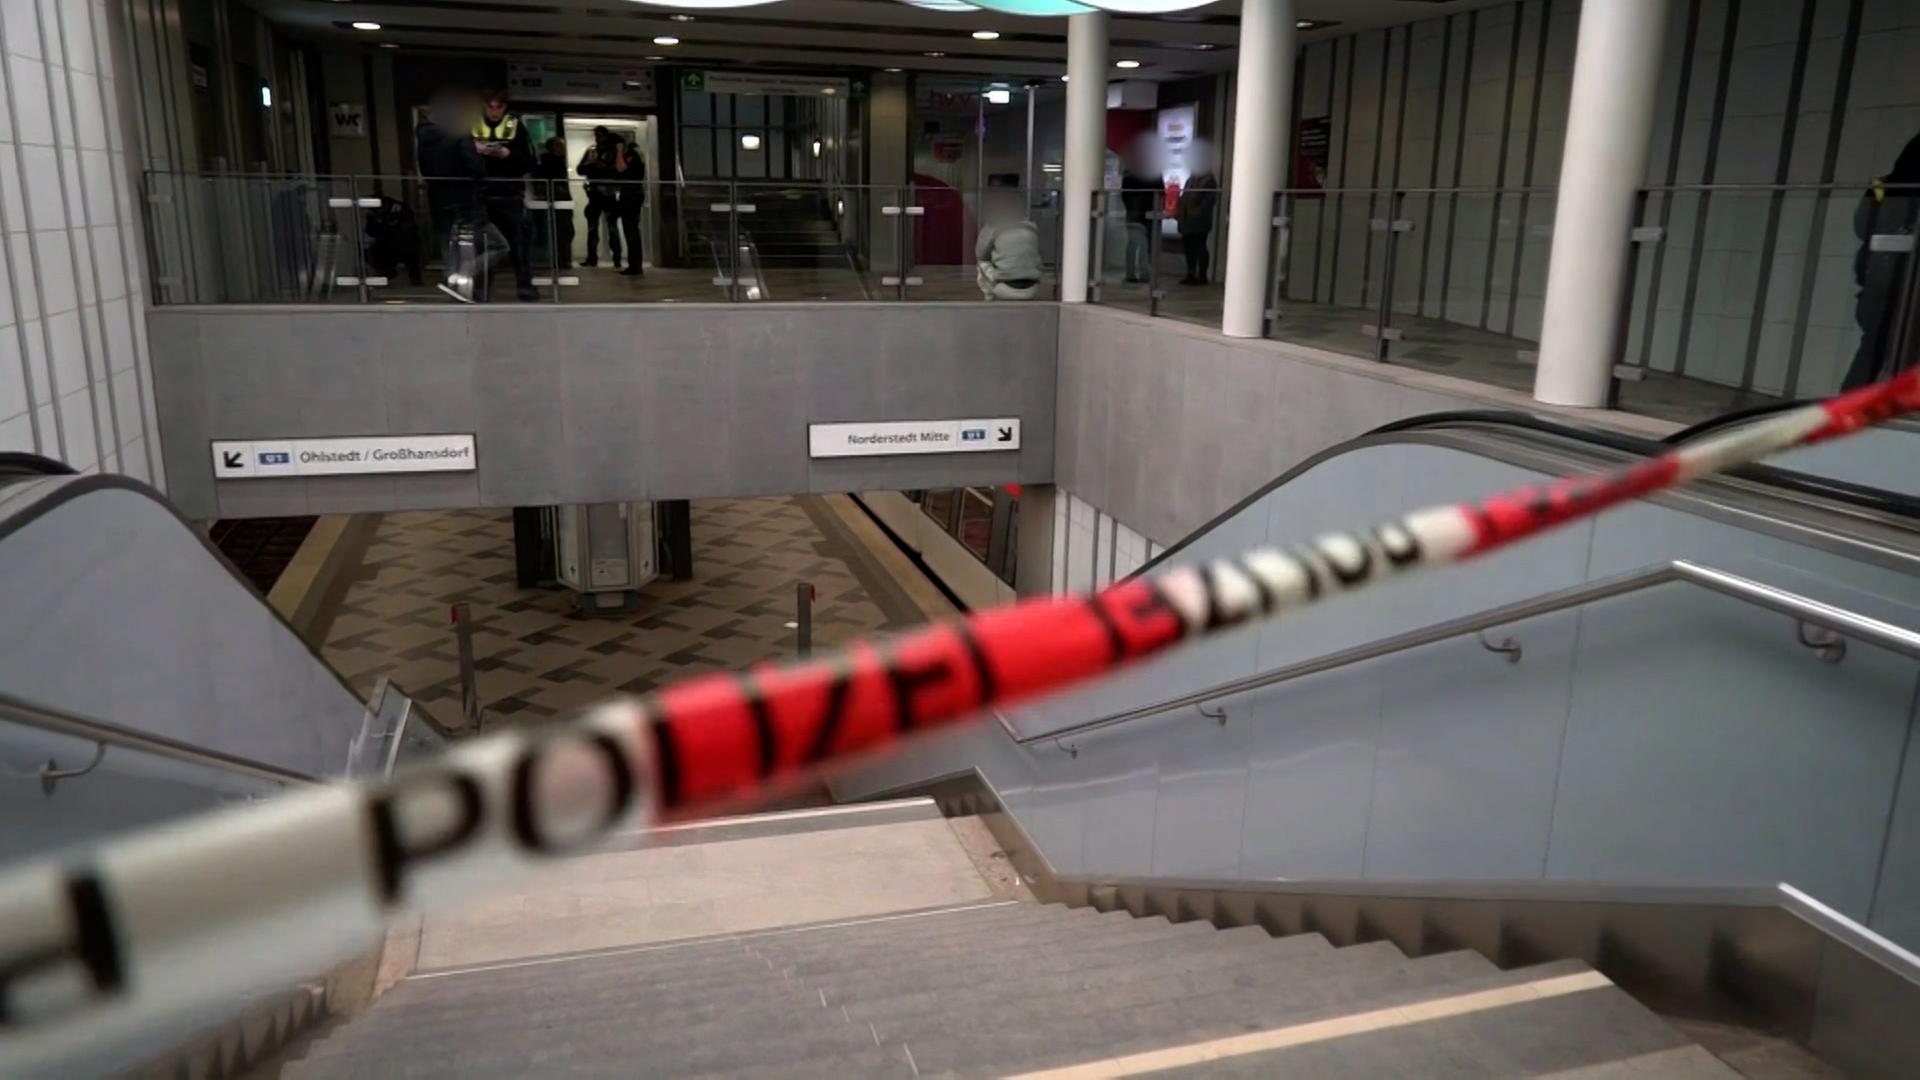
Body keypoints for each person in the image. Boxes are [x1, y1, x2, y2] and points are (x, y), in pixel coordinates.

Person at [1845, 132, 1920, 389]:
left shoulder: (1882, 189)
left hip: (1877, 289)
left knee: (1871, 354)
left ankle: (1850, 412)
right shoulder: (1905, 195)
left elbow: (1861, 226)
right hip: (1903, 295)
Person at [415, 88, 502, 304]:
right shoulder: (460, 136)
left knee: (449, 248)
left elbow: (425, 170)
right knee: (498, 245)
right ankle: (464, 278)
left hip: (438, 201)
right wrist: (479, 153)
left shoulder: (424, 139)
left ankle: (455, 287)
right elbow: (477, 170)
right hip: (465, 202)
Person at [472, 89, 538, 302]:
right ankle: (481, 292)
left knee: (519, 245)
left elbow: (529, 162)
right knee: (484, 248)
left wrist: (507, 154)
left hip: (510, 195)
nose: (494, 112)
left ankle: (525, 287)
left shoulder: (515, 126)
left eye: (498, 107)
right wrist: (477, 152)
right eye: (490, 106)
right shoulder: (472, 124)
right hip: (482, 196)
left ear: (505, 107)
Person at [976, 190, 1043, 301]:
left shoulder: (993, 225)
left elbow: (980, 254)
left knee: (981, 263)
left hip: (1005, 288)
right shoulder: (1032, 226)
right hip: (1032, 289)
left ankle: (989, 298)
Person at [576, 127, 624, 269]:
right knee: (592, 228)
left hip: (608, 194)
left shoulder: (613, 151)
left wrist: (604, 168)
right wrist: (593, 166)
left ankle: (617, 259)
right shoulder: (592, 151)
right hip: (594, 194)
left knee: (612, 228)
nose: (597, 138)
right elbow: (580, 169)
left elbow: (618, 171)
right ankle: (592, 258)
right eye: (596, 135)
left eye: (600, 135)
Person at [1119, 149, 1159, 285]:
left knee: (1135, 244)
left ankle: (1133, 273)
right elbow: (1160, 192)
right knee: (1144, 245)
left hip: (1135, 214)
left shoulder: (1129, 176)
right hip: (1146, 214)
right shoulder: (1153, 175)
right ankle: (1144, 274)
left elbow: (1125, 195)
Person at [609, 132, 646, 277]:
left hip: (631, 194)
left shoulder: (632, 153)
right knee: (630, 230)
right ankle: (634, 265)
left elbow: (621, 168)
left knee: (631, 231)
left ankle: (635, 266)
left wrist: (619, 151)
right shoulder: (635, 152)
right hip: (630, 194)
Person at [536, 136, 575, 270]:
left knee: (566, 231)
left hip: (562, 198)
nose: (563, 148)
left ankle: (563, 259)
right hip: (557, 198)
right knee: (562, 230)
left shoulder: (558, 160)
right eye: (560, 146)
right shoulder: (549, 161)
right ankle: (561, 260)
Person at [1176, 166, 1220, 286]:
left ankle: (1202, 275)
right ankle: (1190, 274)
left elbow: (1208, 201)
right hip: (1186, 220)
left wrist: (1196, 214)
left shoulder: (1208, 180)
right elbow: (1185, 197)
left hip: (1199, 221)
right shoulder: (1191, 179)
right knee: (1189, 248)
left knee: (1200, 246)